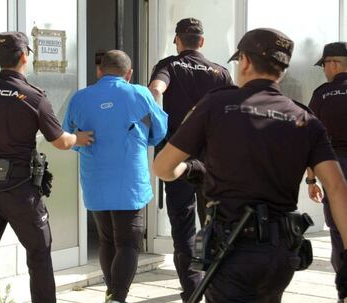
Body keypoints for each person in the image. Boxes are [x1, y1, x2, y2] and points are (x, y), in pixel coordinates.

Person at [153, 27, 347, 302]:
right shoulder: (304, 118)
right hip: (281, 254)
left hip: (230, 250)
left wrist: (192, 169)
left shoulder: (216, 105)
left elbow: (163, 168)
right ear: (282, 68)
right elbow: (337, 187)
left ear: (244, 61)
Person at [0, 31, 94, 303]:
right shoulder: (33, 97)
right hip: (20, 192)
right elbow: (61, 142)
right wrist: (80, 138)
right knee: (39, 254)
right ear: (24, 56)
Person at [63, 50, 167, 303]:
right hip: (130, 180)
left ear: (99, 71)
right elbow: (160, 130)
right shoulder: (140, 93)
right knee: (128, 244)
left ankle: (113, 293)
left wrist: (80, 143)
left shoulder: (80, 97)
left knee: (107, 240)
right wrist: (142, 139)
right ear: (129, 74)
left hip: (95, 178)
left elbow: (65, 135)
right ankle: (117, 297)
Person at [148, 17, 232, 302]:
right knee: (215, 225)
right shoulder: (220, 72)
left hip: (179, 158)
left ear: (177, 40)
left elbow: (156, 90)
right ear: (202, 42)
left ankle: (192, 291)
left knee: (183, 227)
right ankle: (216, 285)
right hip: (214, 161)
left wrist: (155, 124)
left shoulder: (170, 65)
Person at [307, 42, 347, 294]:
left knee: (338, 231)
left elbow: (310, 138)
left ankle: (344, 290)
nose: (324, 71)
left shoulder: (322, 94)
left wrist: (311, 180)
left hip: (334, 168)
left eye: (324, 65)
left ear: (334, 64)